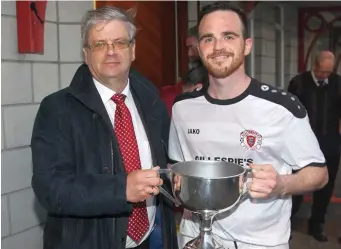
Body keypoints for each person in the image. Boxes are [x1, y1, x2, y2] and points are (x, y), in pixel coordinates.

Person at [168, 2, 328, 249]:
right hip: (195, 236)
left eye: (228, 36)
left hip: (259, 242)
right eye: (208, 39)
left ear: (247, 45)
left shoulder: (281, 107)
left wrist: (283, 184)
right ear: (198, 49)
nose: (218, 46)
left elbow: (319, 174)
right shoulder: (183, 107)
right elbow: (177, 166)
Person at [31, 6, 178, 249]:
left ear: (133, 50)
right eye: (99, 44)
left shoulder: (153, 102)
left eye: (119, 42)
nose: (111, 51)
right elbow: (50, 189)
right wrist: (121, 189)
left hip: (149, 241)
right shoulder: (57, 109)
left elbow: (166, 164)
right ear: (86, 54)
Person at [288, 51, 341, 242]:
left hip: (330, 144)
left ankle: (316, 224)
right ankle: (286, 224)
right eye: (321, 72)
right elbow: (288, 115)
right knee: (297, 187)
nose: (325, 76)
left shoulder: (338, 83)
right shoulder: (298, 83)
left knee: (325, 187)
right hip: (302, 146)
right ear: (314, 65)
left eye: (328, 72)